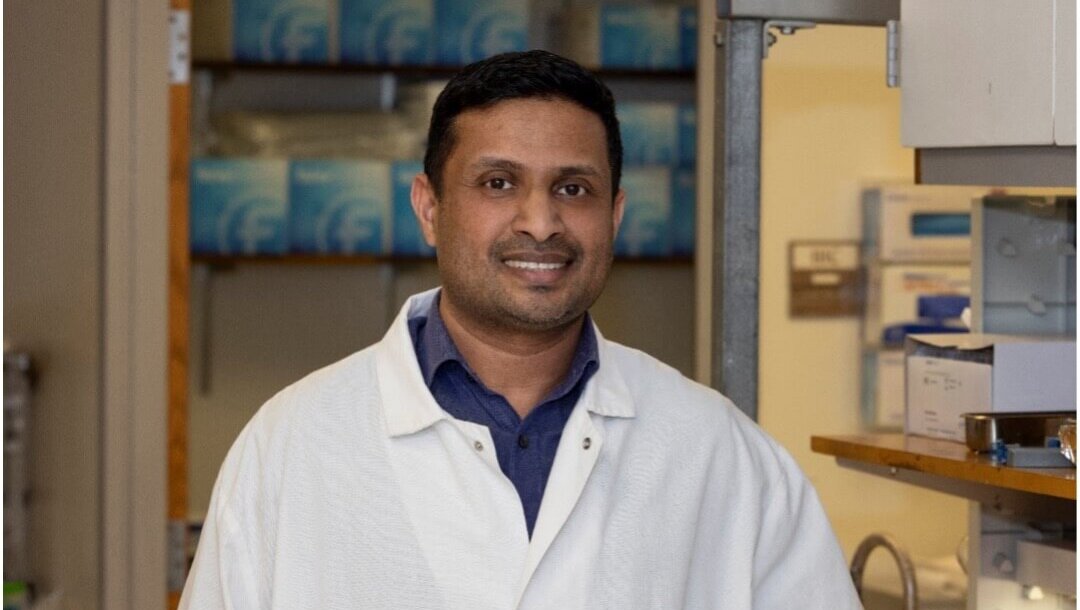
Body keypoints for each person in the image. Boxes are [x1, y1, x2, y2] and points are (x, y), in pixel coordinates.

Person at [179, 50, 860, 609]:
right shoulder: (291, 446)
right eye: (499, 183)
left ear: (614, 214)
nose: (540, 221)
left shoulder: (720, 453)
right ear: (429, 206)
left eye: (573, 189)